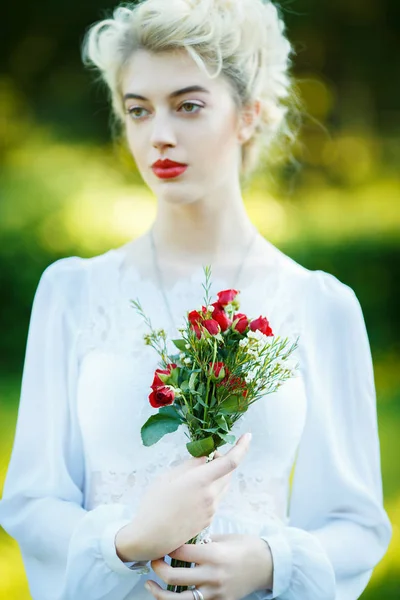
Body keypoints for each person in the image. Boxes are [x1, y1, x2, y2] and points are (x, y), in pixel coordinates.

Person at [0, 0, 392, 599]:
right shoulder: (71, 292)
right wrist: (128, 541)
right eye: (138, 110)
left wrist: (267, 563)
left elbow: (356, 523)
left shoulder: (320, 305)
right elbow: (31, 501)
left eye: (188, 106)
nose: (159, 134)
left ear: (247, 116)